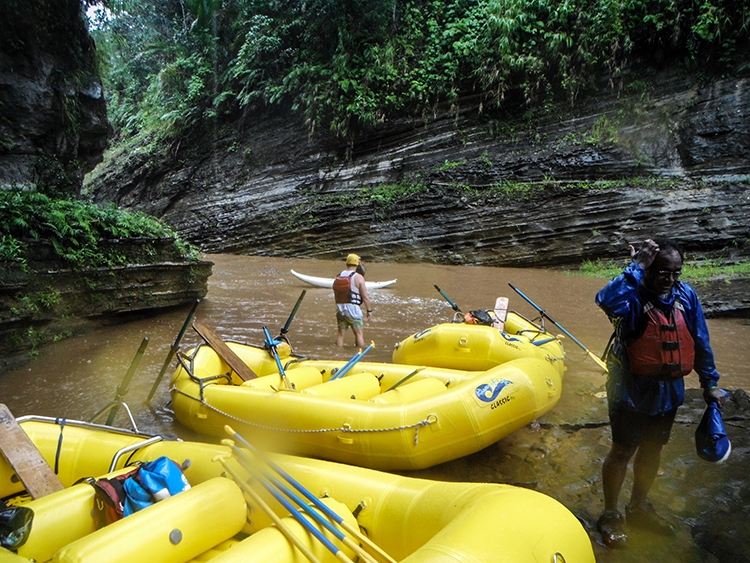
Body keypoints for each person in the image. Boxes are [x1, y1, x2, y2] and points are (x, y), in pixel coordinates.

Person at [594, 237, 726, 548]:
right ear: (648, 270)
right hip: (630, 391)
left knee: (653, 451)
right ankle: (611, 514)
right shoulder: (631, 297)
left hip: (669, 391)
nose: (669, 279)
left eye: (676, 273)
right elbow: (605, 299)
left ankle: (639, 506)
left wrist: (710, 383)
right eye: (662, 272)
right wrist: (636, 266)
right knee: (622, 451)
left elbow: (700, 340)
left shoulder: (685, 295)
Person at [333, 253, 372, 348]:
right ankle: (359, 354)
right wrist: (369, 311)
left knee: (340, 335)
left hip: (340, 309)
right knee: (359, 335)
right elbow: (365, 296)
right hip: (353, 310)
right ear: (357, 264)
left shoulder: (339, 275)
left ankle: (338, 353)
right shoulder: (358, 277)